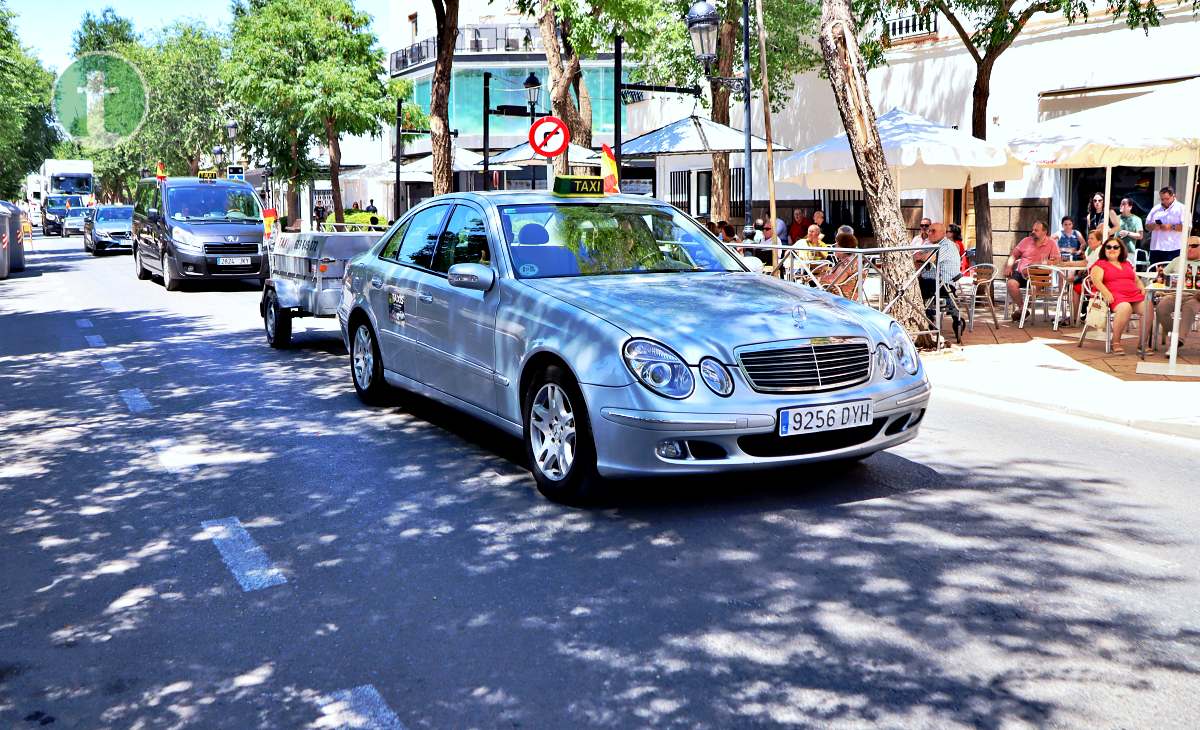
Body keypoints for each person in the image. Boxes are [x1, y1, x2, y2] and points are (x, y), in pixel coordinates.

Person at [1090, 235, 1146, 355]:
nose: (1112, 249)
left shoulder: (1126, 263)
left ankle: (1143, 344)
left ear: (1121, 250)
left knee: (1148, 306)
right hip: (1115, 296)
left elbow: (1136, 279)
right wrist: (1106, 292)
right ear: (1104, 250)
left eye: (1116, 247)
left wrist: (1141, 286)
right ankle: (1116, 342)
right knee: (1125, 307)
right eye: (1108, 247)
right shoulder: (1100, 264)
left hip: (1133, 294)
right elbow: (1096, 281)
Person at [914, 222, 964, 342]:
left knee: (911, 288)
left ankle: (922, 321)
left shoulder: (946, 245)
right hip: (933, 283)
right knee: (913, 285)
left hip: (943, 285)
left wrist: (921, 257)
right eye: (928, 230)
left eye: (933, 231)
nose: (929, 233)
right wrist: (920, 257)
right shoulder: (933, 245)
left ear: (943, 233)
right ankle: (926, 319)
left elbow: (927, 258)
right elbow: (917, 258)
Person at [1004, 221, 1061, 320]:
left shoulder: (1051, 243)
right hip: (1022, 273)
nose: (1033, 232)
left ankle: (1024, 308)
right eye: (1033, 229)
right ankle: (1022, 308)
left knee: (1036, 287)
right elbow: (1014, 255)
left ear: (1044, 232)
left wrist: (1040, 263)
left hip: (1040, 274)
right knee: (1011, 284)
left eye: (1036, 230)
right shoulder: (1026, 240)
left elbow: (1057, 260)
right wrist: (1008, 267)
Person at [1155, 236, 1200, 352]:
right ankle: (1177, 333)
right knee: (1161, 308)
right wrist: (1160, 276)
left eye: (1194, 246)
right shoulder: (1178, 260)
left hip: (1196, 296)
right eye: (1187, 246)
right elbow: (1161, 277)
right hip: (1174, 294)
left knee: (1189, 308)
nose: (1189, 249)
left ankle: (1177, 342)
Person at [1146, 185, 1186, 265]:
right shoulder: (1155, 208)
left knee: (1172, 276)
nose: (1164, 201)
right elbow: (1147, 226)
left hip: (1174, 248)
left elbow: (1187, 228)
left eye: (1167, 199)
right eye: (1162, 199)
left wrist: (1171, 227)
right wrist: (1153, 226)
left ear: (1173, 196)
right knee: (1154, 274)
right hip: (1156, 248)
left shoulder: (1182, 208)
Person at [1071, 228, 1106, 318]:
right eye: (1089, 238)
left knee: (1074, 287)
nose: (1089, 240)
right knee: (1073, 283)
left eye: (1092, 238)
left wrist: (1065, 263)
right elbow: (1085, 262)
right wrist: (1065, 263)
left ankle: (1075, 317)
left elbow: (1088, 264)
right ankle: (1079, 315)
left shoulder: (1100, 251)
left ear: (1099, 241)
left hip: (1096, 282)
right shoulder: (1092, 250)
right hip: (1090, 280)